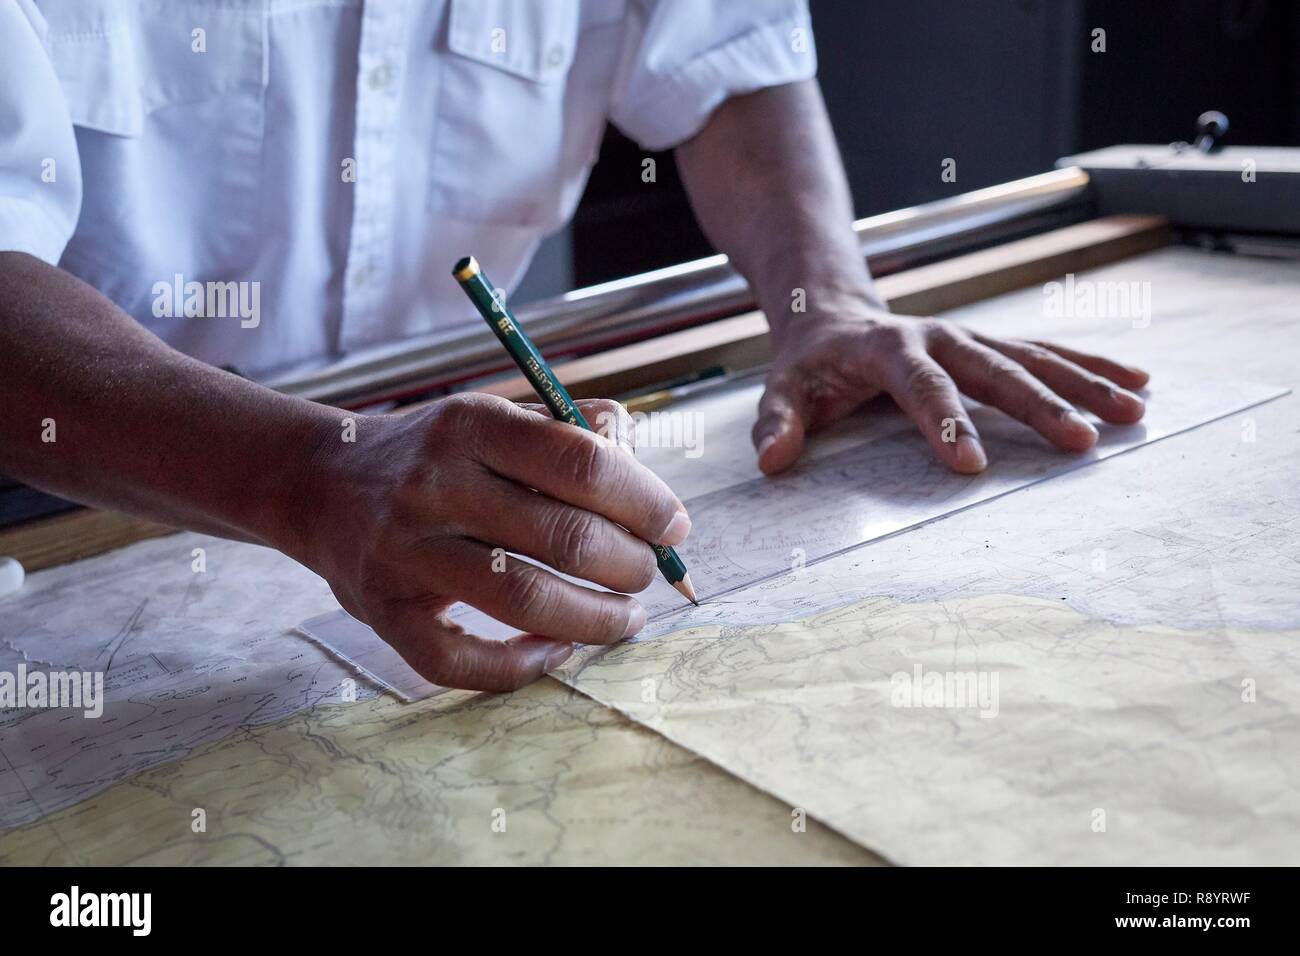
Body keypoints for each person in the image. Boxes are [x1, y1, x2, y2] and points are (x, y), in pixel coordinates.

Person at [0, 0, 1148, 691]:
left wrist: (825, 299)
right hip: (79, 497)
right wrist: (305, 471)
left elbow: (724, 51)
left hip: (450, 477)